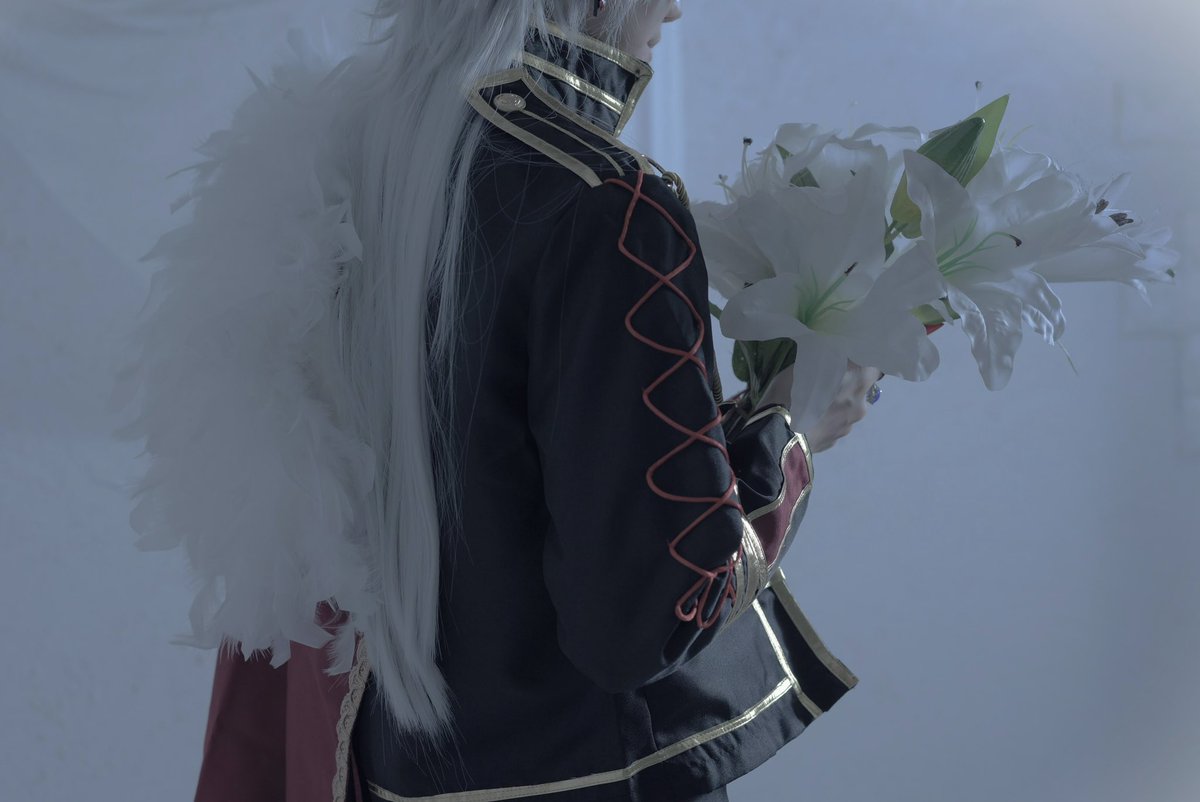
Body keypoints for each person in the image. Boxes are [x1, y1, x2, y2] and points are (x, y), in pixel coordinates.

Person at [168, 2, 881, 801]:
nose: (675, 6)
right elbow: (646, 616)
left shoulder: (338, 156)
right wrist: (790, 434)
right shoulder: (610, 203)